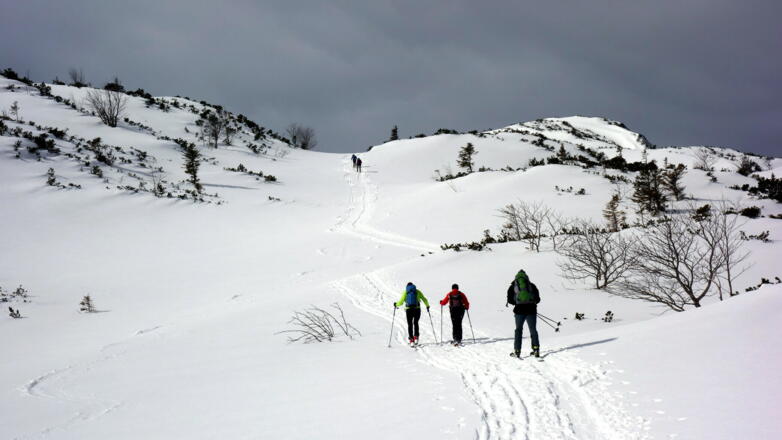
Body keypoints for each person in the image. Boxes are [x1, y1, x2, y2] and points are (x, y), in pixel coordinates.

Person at [507, 269, 540, 358]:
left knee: (518, 330)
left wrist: (518, 303)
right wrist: (531, 302)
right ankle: (536, 349)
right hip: (531, 310)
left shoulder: (513, 286)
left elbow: (510, 300)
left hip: (519, 311)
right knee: (533, 330)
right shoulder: (532, 285)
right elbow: (538, 299)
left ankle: (517, 351)